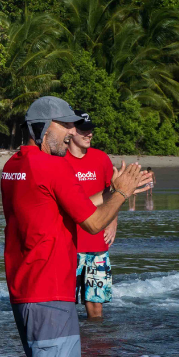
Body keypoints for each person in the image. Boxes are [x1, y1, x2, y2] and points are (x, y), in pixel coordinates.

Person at [1, 96, 150, 357]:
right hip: (48, 288)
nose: (71, 132)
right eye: (64, 125)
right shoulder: (53, 166)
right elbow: (94, 223)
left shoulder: (14, 166)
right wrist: (122, 194)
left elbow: (69, 203)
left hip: (34, 287)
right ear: (40, 127)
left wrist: (112, 192)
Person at [64, 112, 116, 320]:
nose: (89, 134)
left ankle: (96, 347)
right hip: (68, 243)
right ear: (71, 131)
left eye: (91, 130)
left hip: (96, 244)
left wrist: (112, 223)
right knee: (64, 303)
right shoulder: (58, 160)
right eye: (84, 130)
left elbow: (112, 194)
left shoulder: (101, 158)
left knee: (96, 308)